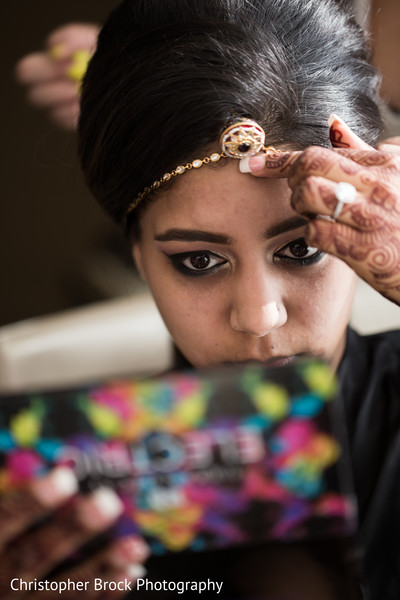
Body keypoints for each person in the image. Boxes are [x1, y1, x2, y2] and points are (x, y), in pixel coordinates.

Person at [7, 0, 400, 598]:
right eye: (198, 260)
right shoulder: (58, 510)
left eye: (301, 249)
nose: (259, 315)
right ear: (140, 258)